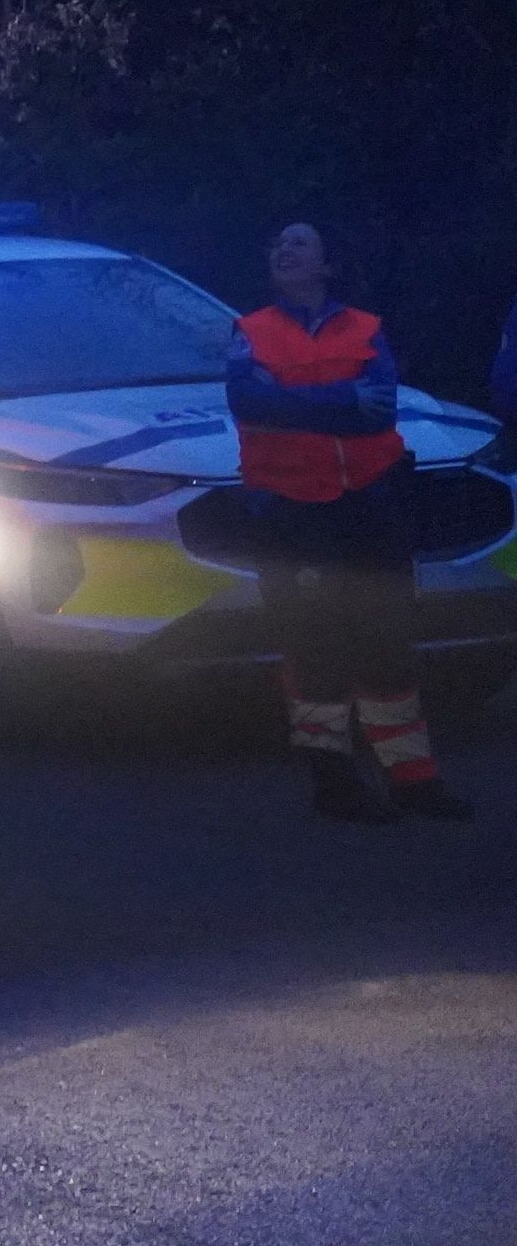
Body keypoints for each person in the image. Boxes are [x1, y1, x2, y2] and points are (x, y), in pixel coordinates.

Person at [228, 223, 466, 821]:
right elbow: (248, 402)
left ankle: (414, 782)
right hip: (290, 511)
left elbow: (378, 408)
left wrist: (292, 401)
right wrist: (339, 401)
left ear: (327, 265)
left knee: (387, 644)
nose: (283, 250)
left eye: (299, 243)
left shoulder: (366, 328)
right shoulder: (250, 330)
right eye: (277, 243)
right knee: (315, 650)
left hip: (368, 504)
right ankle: (334, 785)